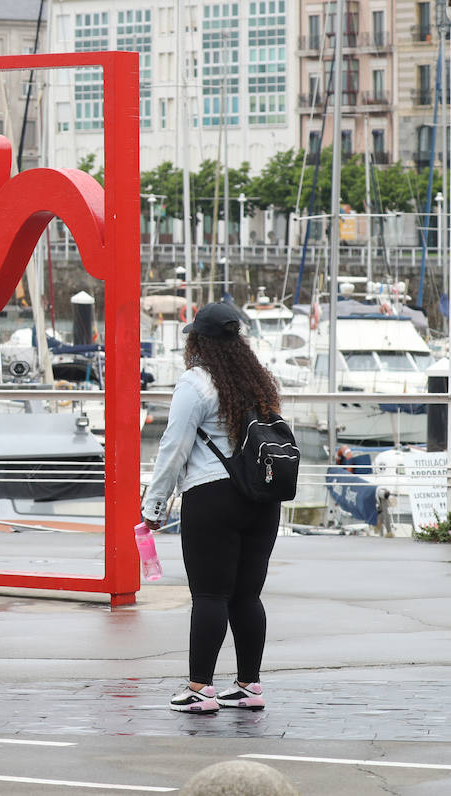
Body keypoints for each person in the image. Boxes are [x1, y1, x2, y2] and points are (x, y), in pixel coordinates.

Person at [141, 302, 283, 714]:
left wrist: (155, 502)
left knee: (209, 595)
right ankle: (247, 687)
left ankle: (200, 689)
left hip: (212, 497)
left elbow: (174, 446)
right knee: (247, 597)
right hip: (261, 499)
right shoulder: (257, 383)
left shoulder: (196, 383)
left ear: (199, 341)